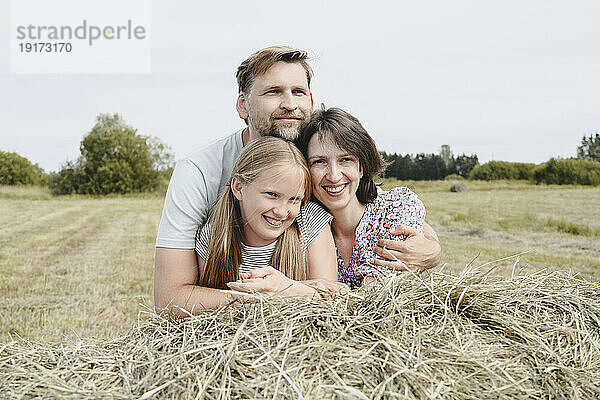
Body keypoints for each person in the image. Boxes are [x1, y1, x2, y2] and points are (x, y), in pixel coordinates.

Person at [154, 46, 441, 312]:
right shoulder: (198, 171)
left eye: (298, 92)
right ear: (243, 105)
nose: (289, 104)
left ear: (310, 101)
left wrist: (432, 249)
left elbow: (367, 197)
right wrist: (266, 297)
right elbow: (169, 298)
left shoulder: (309, 149)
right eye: (273, 92)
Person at [297, 107, 428, 289]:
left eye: (346, 160)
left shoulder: (397, 206)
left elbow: (374, 294)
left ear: (361, 167)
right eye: (319, 162)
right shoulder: (301, 226)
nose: (334, 176)